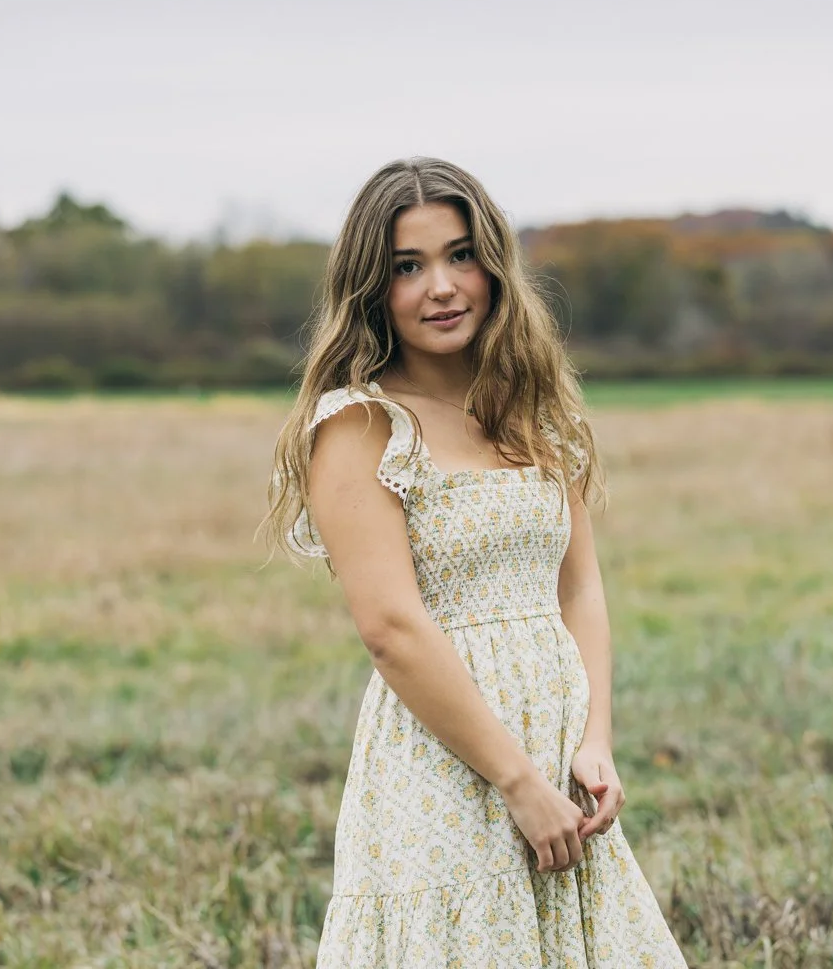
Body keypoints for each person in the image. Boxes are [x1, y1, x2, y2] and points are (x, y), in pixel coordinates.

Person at [265, 157, 685, 966]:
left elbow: (580, 585)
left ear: (494, 265)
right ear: (370, 289)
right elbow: (391, 628)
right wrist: (516, 782)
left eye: (460, 256)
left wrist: (593, 741)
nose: (442, 287)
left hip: (557, 754)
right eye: (407, 268)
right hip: (448, 766)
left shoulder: (526, 410)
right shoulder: (361, 425)